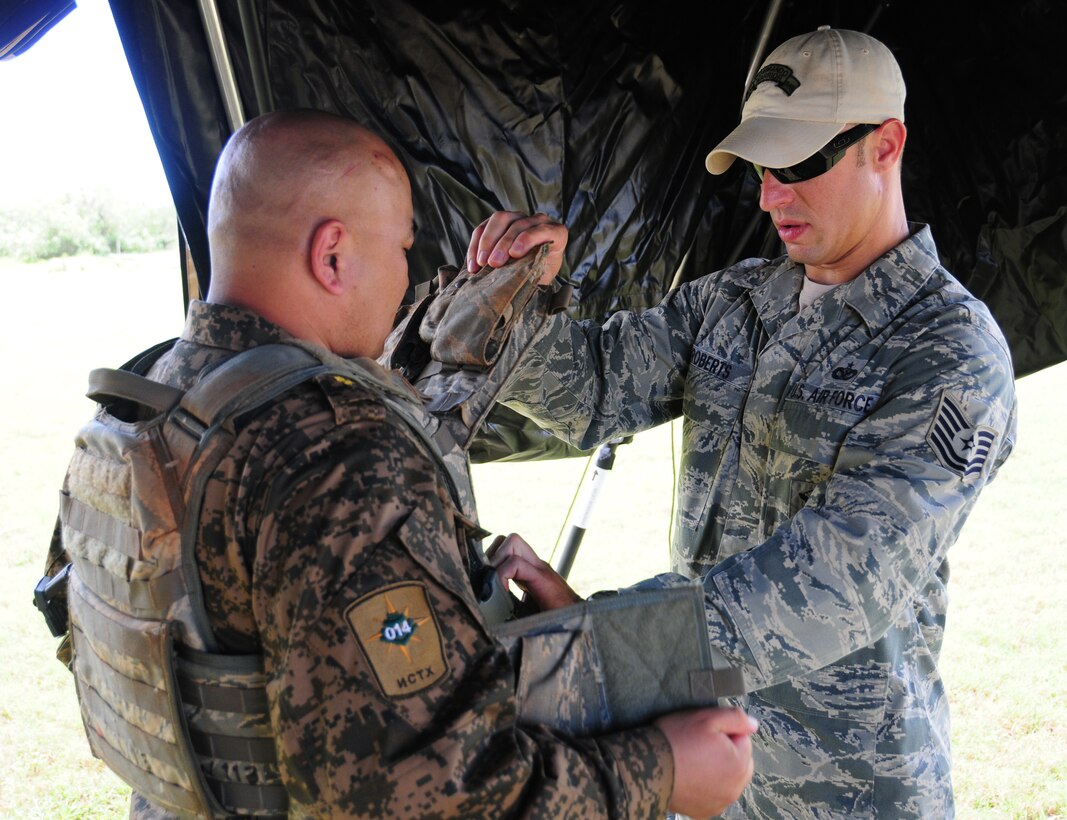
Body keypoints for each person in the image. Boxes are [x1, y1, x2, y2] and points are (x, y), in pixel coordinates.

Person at [46, 109, 756, 818]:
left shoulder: (148, 402)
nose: (403, 278)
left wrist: (499, 294)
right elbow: (432, 796)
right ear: (332, 256)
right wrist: (659, 769)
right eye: (402, 248)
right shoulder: (338, 456)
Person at [466, 26, 1018, 818]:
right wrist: (508, 302)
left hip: (847, 793)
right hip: (713, 772)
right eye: (762, 167)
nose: (769, 196)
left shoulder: (949, 353)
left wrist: (596, 638)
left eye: (797, 165)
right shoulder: (736, 301)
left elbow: (836, 583)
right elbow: (590, 388)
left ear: (885, 145)